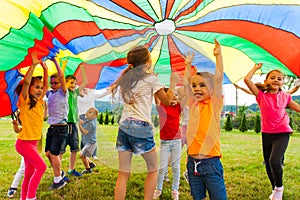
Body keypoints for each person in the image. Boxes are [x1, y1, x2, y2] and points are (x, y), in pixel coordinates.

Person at [112, 45, 177, 200]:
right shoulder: (151, 79)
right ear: (147, 63)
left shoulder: (127, 79)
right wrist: (173, 83)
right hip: (140, 126)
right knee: (153, 169)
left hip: (124, 126)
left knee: (123, 173)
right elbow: (167, 101)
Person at [244, 63, 300, 200]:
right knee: (268, 164)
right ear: (266, 81)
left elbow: (298, 108)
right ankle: (274, 189)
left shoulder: (285, 96)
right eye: (272, 78)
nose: (276, 80)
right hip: (267, 134)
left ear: (282, 83)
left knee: (275, 160)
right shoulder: (261, 96)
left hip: (282, 133)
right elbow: (247, 80)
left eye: (279, 79)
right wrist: (255, 68)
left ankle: (279, 189)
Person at [183, 39, 227, 200]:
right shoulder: (192, 104)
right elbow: (186, 83)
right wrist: (188, 66)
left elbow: (218, 78)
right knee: (197, 197)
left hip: (211, 164)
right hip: (192, 163)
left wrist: (218, 56)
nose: (197, 89)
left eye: (202, 85)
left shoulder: (214, 104)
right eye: (195, 86)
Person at [15, 52, 48, 200]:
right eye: (37, 87)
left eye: (41, 88)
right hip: (24, 143)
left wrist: (46, 70)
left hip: (33, 143)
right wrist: (34, 65)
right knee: (41, 167)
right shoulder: (25, 101)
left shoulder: (40, 101)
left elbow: (46, 85)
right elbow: (27, 83)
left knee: (29, 172)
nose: (40, 90)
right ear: (29, 90)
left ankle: (24, 198)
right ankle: (31, 197)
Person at [153, 83, 186, 200]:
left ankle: (175, 190)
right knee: (162, 167)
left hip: (177, 141)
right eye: (172, 95)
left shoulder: (178, 107)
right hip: (165, 142)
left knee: (176, 166)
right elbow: (156, 96)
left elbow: (186, 97)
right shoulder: (162, 106)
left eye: (176, 95)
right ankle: (158, 189)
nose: (175, 97)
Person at [45, 58, 69, 190]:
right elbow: (43, 87)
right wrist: (44, 68)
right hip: (52, 127)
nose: (53, 85)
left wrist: (54, 61)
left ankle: (58, 180)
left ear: (60, 84)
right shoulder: (50, 93)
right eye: (52, 83)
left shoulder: (63, 93)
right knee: (48, 153)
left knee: (54, 154)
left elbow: (61, 76)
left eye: (56, 83)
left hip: (61, 127)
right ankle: (59, 173)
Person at [61, 64, 87, 177]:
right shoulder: (64, 93)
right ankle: (60, 171)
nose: (74, 85)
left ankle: (71, 169)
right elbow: (61, 79)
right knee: (61, 149)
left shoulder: (75, 93)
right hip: (64, 124)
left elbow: (85, 82)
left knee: (74, 148)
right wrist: (63, 66)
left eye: (75, 83)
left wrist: (82, 69)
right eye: (71, 83)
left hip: (74, 124)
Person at [78, 87, 111, 161]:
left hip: (91, 115)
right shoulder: (77, 90)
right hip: (82, 116)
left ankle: (94, 154)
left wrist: (109, 89)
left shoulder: (91, 91)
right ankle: (84, 152)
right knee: (83, 135)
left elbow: (101, 94)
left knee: (92, 135)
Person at [78, 107, 99, 174]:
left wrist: (80, 125)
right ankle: (91, 164)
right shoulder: (90, 121)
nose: (87, 113)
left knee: (82, 155)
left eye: (90, 112)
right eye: (87, 111)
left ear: (94, 116)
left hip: (91, 143)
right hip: (89, 142)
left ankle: (88, 169)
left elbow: (85, 132)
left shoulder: (91, 123)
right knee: (84, 154)